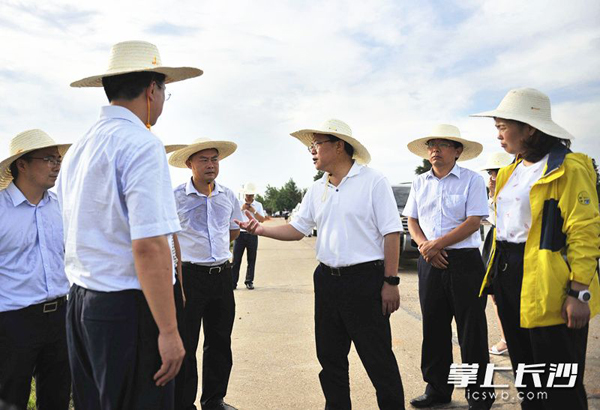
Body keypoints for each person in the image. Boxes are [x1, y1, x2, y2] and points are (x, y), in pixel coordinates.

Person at [56, 40, 202, 409]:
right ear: (152, 90)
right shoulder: (142, 143)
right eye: (165, 91)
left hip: (82, 302)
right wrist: (169, 331)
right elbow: (149, 245)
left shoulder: (79, 148)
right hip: (128, 307)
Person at [237, 119, 405, 410]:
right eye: (310, 146)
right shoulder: (317, 189)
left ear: (339, 146)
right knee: (330, 359)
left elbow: (392, 232)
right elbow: (297, 228)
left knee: (378, 359)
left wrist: (391, 281)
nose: (312, 151)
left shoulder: (372, 181)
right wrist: (261, 230)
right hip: (327, 281)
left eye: (316, 144)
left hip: (365, 281)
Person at [472, 88, 600, 409]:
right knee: (527, 373)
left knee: (558, 380)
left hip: (549, 281)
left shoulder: (569, 168)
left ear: (529, 128)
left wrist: (579, 292)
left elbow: (584, 231)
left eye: (503, 127)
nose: (498, 134)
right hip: (509, 273)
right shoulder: (509, 172)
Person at [403, 124, 494, 409]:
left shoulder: (471, 180)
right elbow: (412, 220)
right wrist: (425, 247)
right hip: (430, 261)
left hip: (464, 262)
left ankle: (479, 393)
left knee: (472, 330)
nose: (435, 150)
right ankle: (437, 389)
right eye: (431, 145)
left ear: (457, 151)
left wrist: (437, 244)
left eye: (442, 145)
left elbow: (474, 221)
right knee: (434, 327)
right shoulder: (420, 182)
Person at [168, 138, 242, 410]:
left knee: (220, 340)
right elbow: (167, 236)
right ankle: (183, 403)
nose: (211, 165)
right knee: (186, 342)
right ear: (190, 164)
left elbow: (233, 230)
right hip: (189, 276)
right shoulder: (175, 197)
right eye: (204, 160)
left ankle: (214, 399)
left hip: (221, 275)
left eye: (214, 159)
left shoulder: (227, 195)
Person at [0, 130, 71, 410]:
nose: (56, 166)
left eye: (58, 159)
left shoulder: (61, 207)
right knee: (10, 400)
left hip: (60, 316)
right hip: (12, 321)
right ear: (22, 164)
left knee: (57, 397)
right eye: (49, 159)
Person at [480, 152, 514, 356]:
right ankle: (506, 338)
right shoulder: (493, 195)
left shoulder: (520, 192)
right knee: (494, 293)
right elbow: (490, 218)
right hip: (494, 243)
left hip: (511, 246)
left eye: (497, 172)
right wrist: (493, 196)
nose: (493, 178)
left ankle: (514, 339)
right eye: (491, 173)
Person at [231, 182, 266, 290]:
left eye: (251, 194)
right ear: (244, 194)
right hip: (240, 234)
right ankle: (233, 282)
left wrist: (253, 211)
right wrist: (241, 209)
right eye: (247, 194)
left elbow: (262, 219)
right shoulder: (238, 203)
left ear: (254, 194)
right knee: (236, 259)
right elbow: (232, 216)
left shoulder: (258, 205)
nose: (249, 196)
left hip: (252, 234)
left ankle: (249, 281)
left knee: (251, 259)